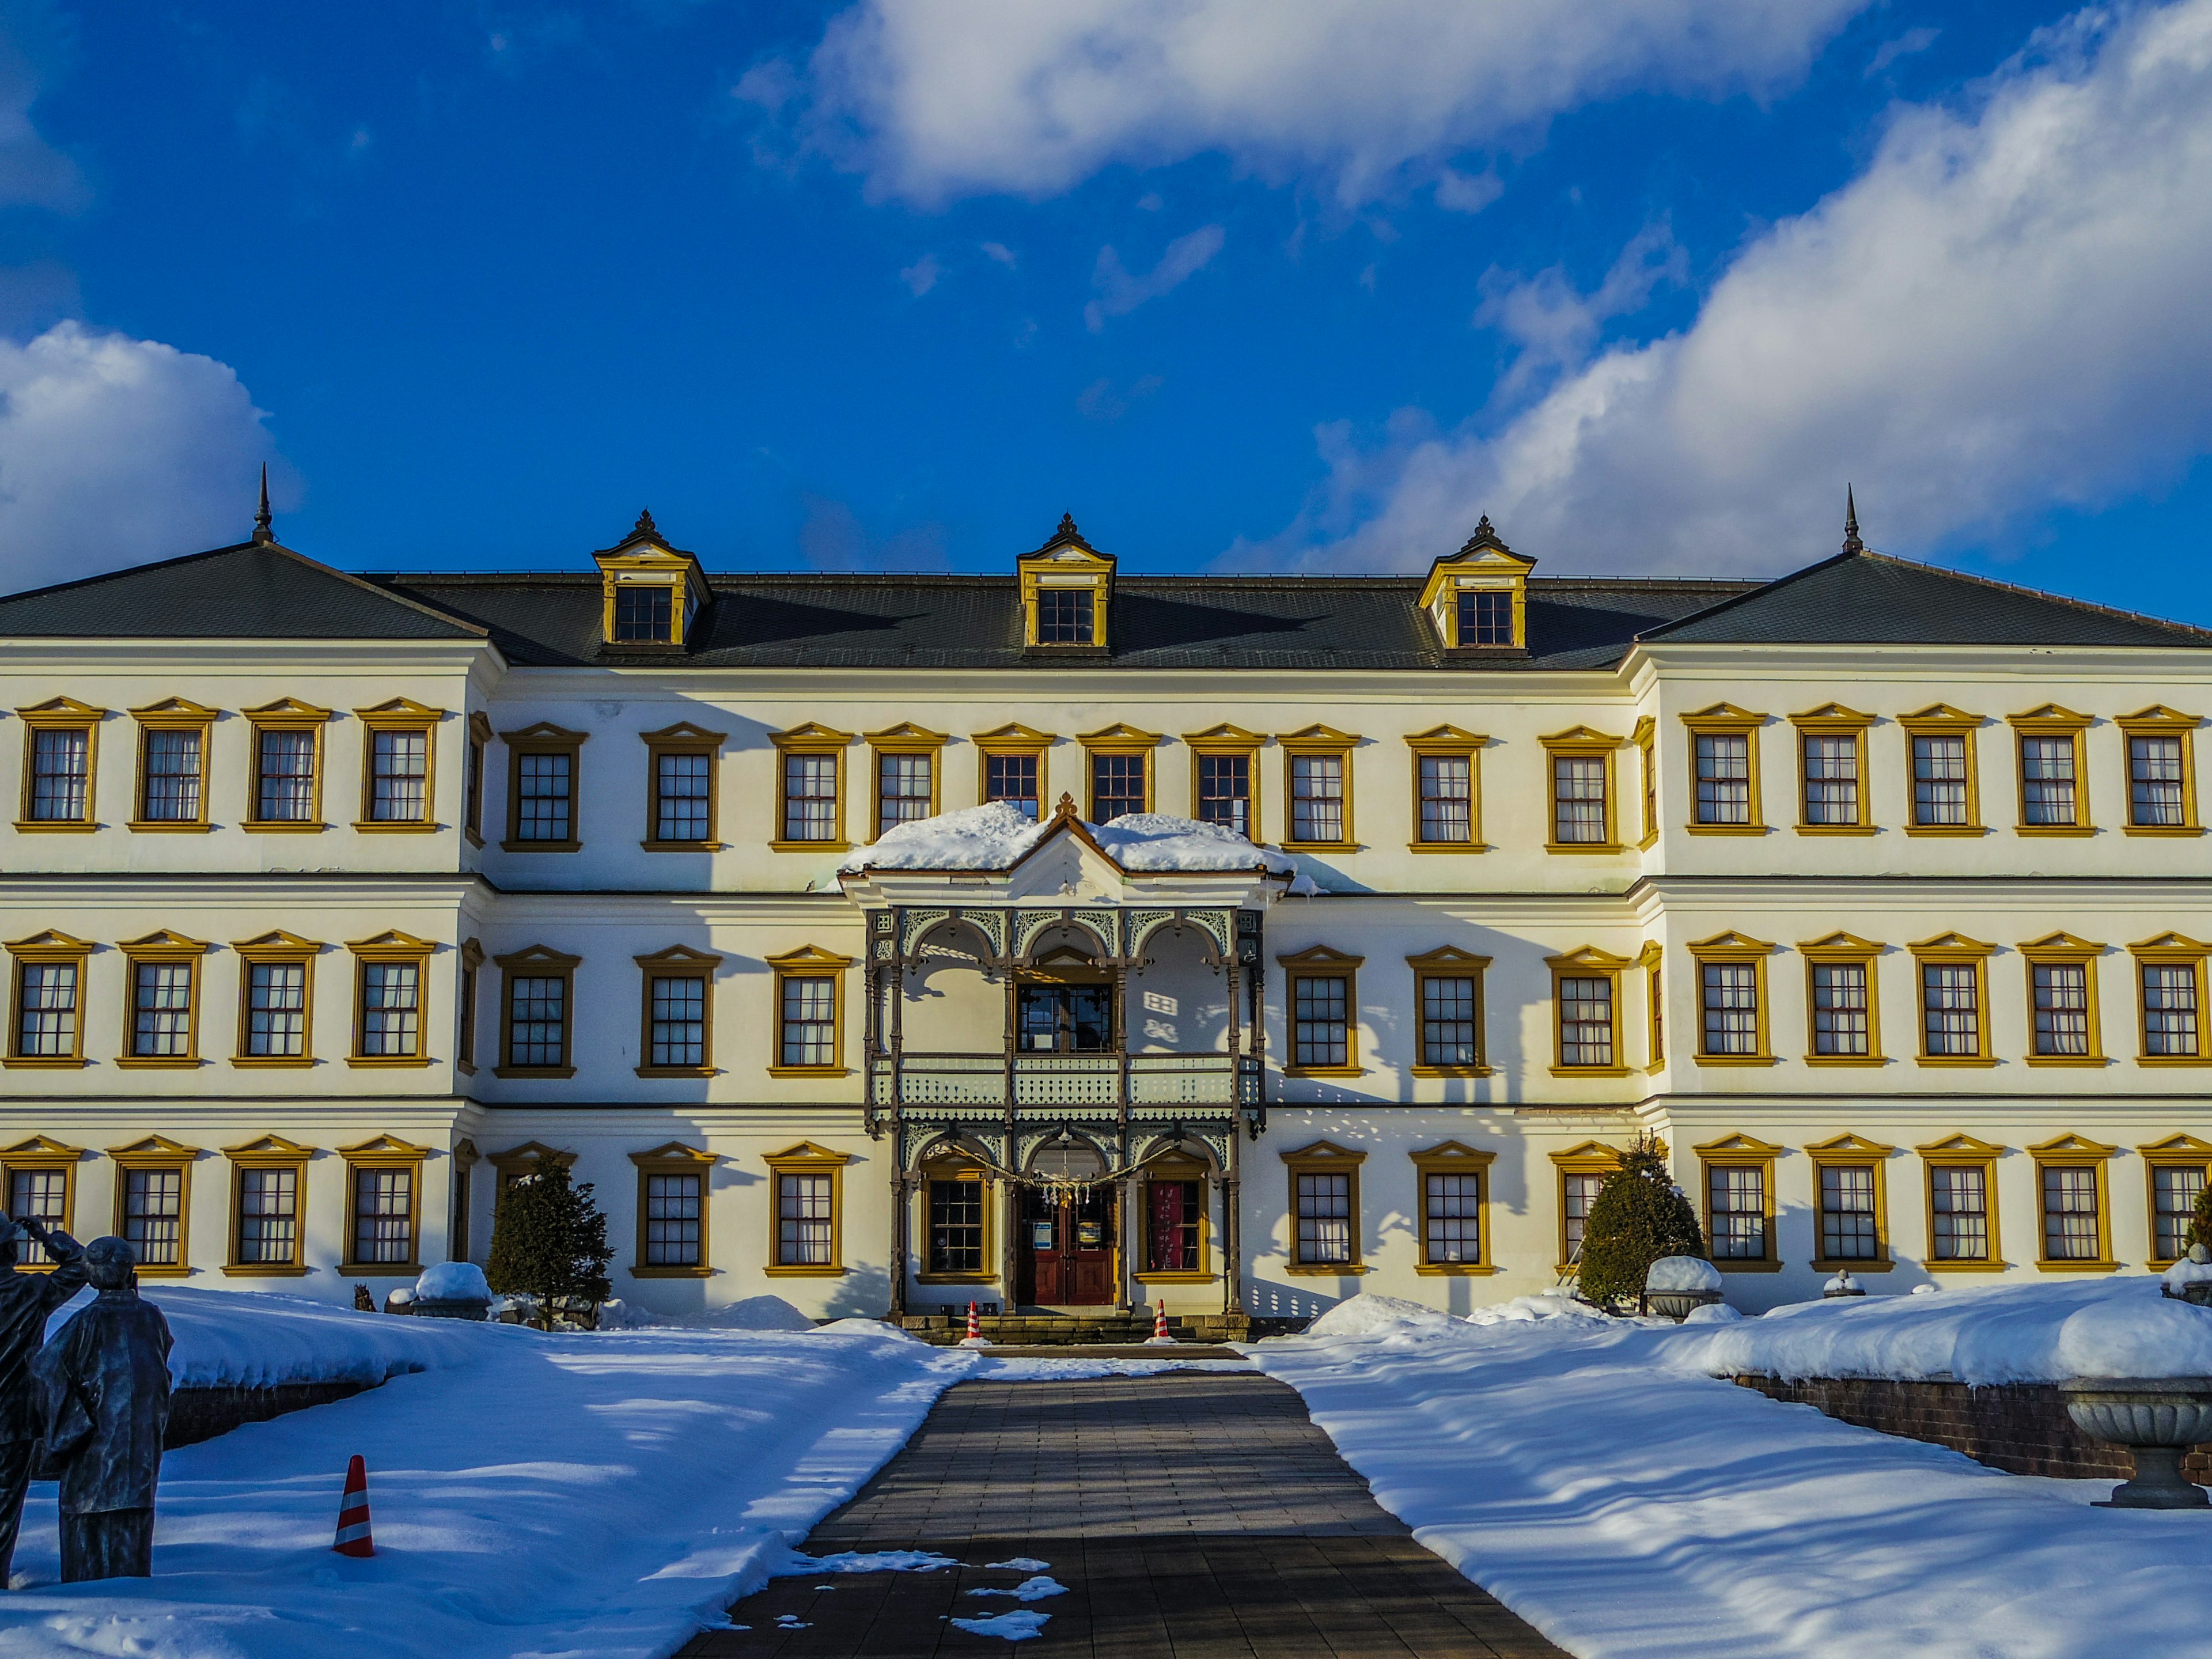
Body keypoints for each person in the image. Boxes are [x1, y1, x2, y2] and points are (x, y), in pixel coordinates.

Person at [33, 1237, 171, 1582]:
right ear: (129, 1273)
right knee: (130, 1542)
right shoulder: (151, 1317)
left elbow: (45, 1370)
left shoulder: (87, 1321)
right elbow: (159, 1369)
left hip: (93, 1452)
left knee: (89, 1544)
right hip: (139, 1449)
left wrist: (73, 1424)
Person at [0, 1215, 87, 1586]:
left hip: (14, 1419)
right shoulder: (30, 1292)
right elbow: (81, 1267)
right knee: (4, 1506)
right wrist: (47, 1238)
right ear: (11, 1249)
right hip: (12, 1420)